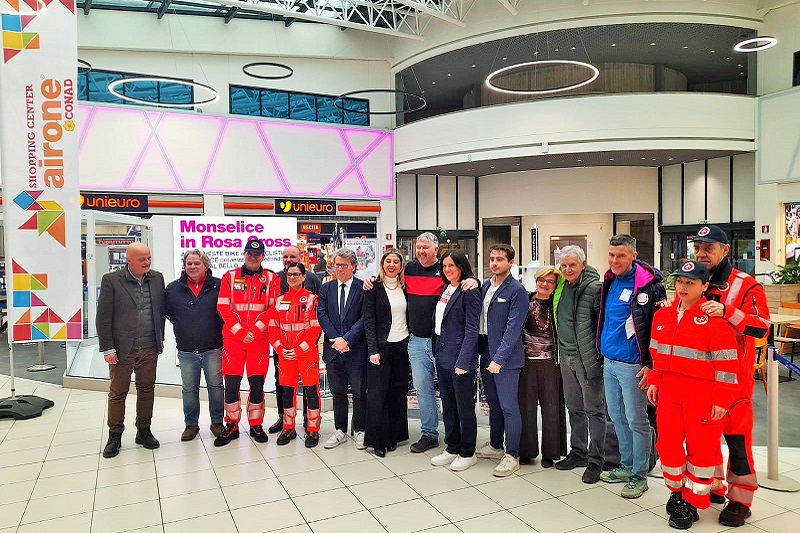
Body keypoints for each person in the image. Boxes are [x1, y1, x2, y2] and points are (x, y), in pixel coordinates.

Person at [364, 232, 477, 454]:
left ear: (436, 249)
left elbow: (462, 281)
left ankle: (457, 438)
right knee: (423, 391)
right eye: (418, 248)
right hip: (414, 342)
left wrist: (475, 280)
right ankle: (429, 434)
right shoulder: (409, 270)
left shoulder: (445, 271)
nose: (421, 251)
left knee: (449, 393)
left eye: (426, 247)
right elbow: (387, 279)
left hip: (440, 343)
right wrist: (369, 279)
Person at [648, 260, 740, 530]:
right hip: (669, 393)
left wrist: (722, 400)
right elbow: (657, 354)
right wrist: (654, 380)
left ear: (704, 286)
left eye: (690, 282)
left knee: (701, 453)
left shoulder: (715, 321)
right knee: (668, 446)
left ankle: (692, 501)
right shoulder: (662, 316)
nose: (683, 287)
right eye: (680, 281)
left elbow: (727, 366)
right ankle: (677, 492)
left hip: (702, 395)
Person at [691, 225, 770, 527]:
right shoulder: (692, 281)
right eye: (698, 248)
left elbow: (762, 326)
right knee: (703, 440)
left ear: (725, 250)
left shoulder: (746, 285)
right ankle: (712, 487)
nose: (701, 254)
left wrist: (727, 311)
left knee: (737, 444)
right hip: (700, 380)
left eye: (708, 248)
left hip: (734, 383)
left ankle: (740, 500)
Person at [597, 234, 666, 498]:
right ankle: (626, 466)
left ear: (634, 256)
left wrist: (650, 364)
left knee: (637, 419)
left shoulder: (650, 287)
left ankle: (640, 473)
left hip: (634, 365)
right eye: (611, 255)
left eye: (621, 255)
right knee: (617, 416)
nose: (615, 260)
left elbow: (659, 328)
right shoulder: (610, 280)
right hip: (609, 362)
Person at [97, 242, 166, 458]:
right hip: (121, 350)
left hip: (149, 347)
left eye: (149, 258)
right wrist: (108, 348)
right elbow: (103, 317)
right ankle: (114, 435)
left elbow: (160, 310)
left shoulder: (157, 278)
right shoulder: (111, 280)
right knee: (118, 393)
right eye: (142, 259)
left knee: (147, 390)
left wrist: (160, 340)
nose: (147, 262)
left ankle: (144, 431)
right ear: (128, 260)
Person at [215, 239, 281, 447]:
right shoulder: (229, 277)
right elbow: (223, 307)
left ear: (263, 256)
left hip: (258, 340)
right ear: (244, 254)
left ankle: (256, 424)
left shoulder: (272, 278)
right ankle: (232, 424)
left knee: (257, 384)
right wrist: (240, 331)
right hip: (233, 340)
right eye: (249, 254)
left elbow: (273, 308)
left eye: (257, 254)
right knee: (231, 384)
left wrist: (254, 330)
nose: (253, 257)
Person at [552, 245, 606, 484]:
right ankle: (578, 452)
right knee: (574, 407)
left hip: (587, 359)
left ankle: (596, 460)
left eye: (572, 265)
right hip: (565, 357)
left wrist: (598, 358)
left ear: (583, 264)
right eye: (563, 265)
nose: (567, 269)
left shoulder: (595, 289)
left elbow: (602, 325)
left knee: (594, 410)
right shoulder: (562, 287)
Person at [475, 244, 529, 477]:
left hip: (506, 357)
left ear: (510, 262)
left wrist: (499, 358)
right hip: (487, 351)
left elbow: (513, 329)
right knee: (493, 403)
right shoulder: (486, 286)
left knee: (508, 406)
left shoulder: (517, 290)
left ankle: (512, 455)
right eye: (492, 259)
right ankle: (496, 445)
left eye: (499, 259)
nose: (494, 263)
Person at [165, 248, 224, 442]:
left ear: (205, 265)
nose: (192, 266)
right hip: (186, 349)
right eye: (188, 263)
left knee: (216, 387)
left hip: (213, 347)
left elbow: (225, 313)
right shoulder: (173, 289)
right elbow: (170, 313)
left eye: (196, 263)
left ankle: (217, 423)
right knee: (189, 389)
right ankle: (191, 425)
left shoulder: (219, 286)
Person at [430, 250, 481, 472]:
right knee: (448, 404)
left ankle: (468, 451)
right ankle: (452, 447)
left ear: (461, 266)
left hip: (461, 359)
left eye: (451, 265)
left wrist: (464, 360)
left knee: (464, 407)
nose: (447, 269)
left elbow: (472, 329)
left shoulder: (469, 290)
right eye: (444, 266)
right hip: (443, 356)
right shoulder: (446, 288)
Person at [317, 248, 368, 449]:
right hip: (333, 350)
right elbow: (322, 315)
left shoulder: (363, 288)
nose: (339, 269)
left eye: (344, 265)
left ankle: (360, 429)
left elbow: (365, 317)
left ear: (353, 267)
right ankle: (340, 430)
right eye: (337, 265)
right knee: (337, 392)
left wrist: (347, 339)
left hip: (355, 349)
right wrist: (336, 339)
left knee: (359, 392)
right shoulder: (326, 288)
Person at [268, 262, 323, 447]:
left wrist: (299, 349)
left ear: (303, 276)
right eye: (289, 274)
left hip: (306, 354)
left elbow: (315, 329)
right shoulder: (279, 301)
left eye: (296, 274)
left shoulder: (312, 300)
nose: (292, 277)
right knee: (287, 392)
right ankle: (288, 428)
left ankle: (313, 430)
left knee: (311, 392)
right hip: (285, 354)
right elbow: (273, 328)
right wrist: (279, 348)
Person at [519, 266, 567, 469]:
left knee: (552, 408)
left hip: (551, 363)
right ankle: (527, 451)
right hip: (526, 363)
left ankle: (550, 452)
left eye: (550, 282)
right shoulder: (524, 302)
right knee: (526, 408)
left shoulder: (559, 305)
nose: (545, 284)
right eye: (542, 280)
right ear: (536, 280)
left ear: (555, 285)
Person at [363, 248, 410, 457]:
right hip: (380, 348)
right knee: (377, 395)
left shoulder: (405, 287)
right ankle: (378, 441)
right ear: (382, 264)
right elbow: (368, 321)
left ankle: (394, 436)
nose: (392, 265)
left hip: (402, 346)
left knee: (397, 393)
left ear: (401, 266)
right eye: (388, 261)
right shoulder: (373, 287)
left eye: (396, 262)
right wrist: (372, 349)